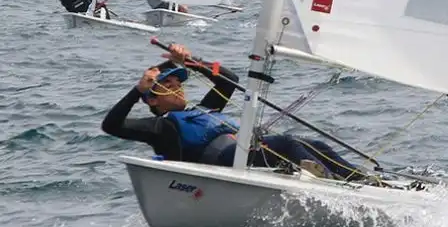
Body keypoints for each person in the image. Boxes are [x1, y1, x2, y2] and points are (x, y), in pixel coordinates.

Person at [102, 43, 371, 181]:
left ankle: (362, 180)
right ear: (152, 101)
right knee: (287, 143)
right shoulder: (160, 127)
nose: (178, 90)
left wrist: (190, 62)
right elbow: (111, 126)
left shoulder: (206, 109)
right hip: (223, 162)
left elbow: (228, 78)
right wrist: (138, 90)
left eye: (179, 84)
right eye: (168, 87)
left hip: (246, 151)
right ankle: (337, 186)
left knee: (313, 143)